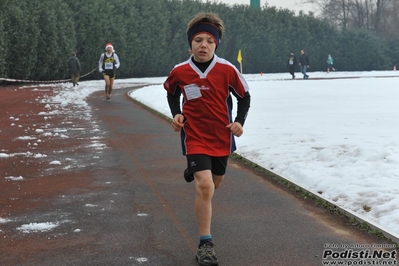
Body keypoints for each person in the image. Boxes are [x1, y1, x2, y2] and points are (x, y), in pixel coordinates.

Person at [163, 12, 251, 266]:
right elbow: (172, 93)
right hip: (195, 136)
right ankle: (205, 244)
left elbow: (244, 97)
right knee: (205, 186)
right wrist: (177, 113)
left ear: (216, 44)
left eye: (209, 41)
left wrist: (239, 122)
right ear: (190, 44)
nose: (204, 45)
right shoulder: (180, 71)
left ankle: (197, 171)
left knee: (215, 184)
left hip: (221, 136)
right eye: (198, 40)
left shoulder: (227, 70)